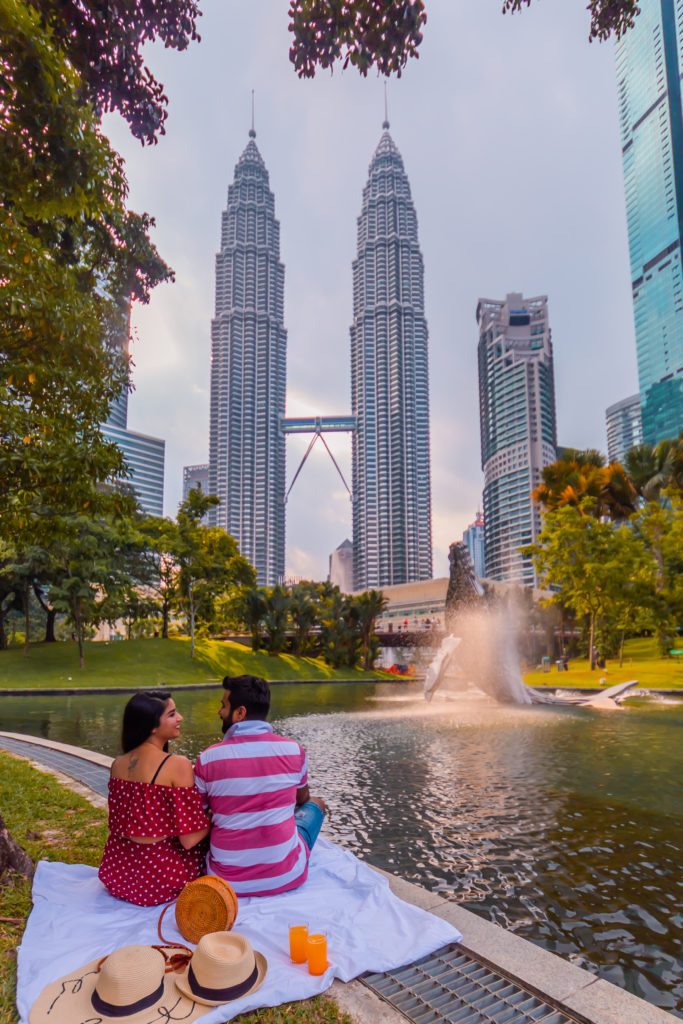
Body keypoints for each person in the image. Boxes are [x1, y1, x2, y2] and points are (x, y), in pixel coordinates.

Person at [194, 674, 326, 897]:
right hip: (287, 876)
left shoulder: (209, 758)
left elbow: (196, 813)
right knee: (316, 804)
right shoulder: (294, 750)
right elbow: (301, 800)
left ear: (240, 713)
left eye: (223, 706)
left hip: (226, 883)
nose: (220, 712)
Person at [98, 690, 210, 906]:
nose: (180, 718)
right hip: (159, 879)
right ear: (151, 726)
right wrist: (215, 820)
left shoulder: (118, 763)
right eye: (172, 714)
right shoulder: (178, 765)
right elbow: (189, 840)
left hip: (118, 873)